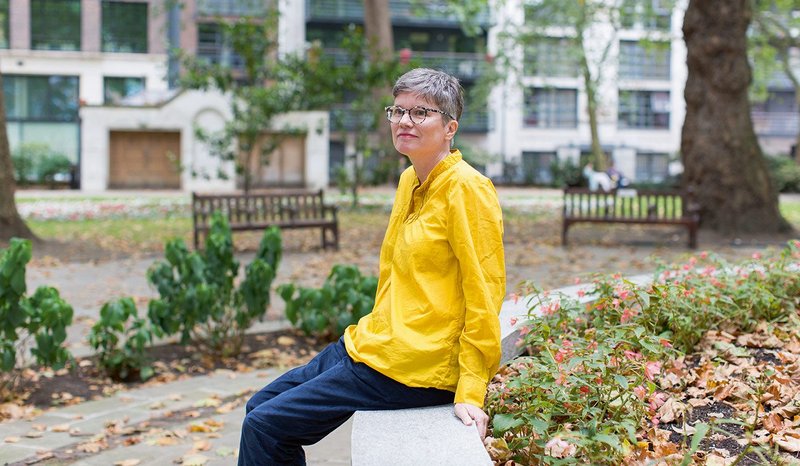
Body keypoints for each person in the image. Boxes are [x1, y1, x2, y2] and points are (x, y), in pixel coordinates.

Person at [238, 68, 506, 465]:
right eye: (397, 111)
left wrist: (469, 388)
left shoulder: (468, 189)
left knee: (265, 427)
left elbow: (485, 292)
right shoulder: (407, 182)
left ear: (450, 127)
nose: (404, 122)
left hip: (418, 365)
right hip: (376, 344)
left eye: (420, 113)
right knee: (258, 407)